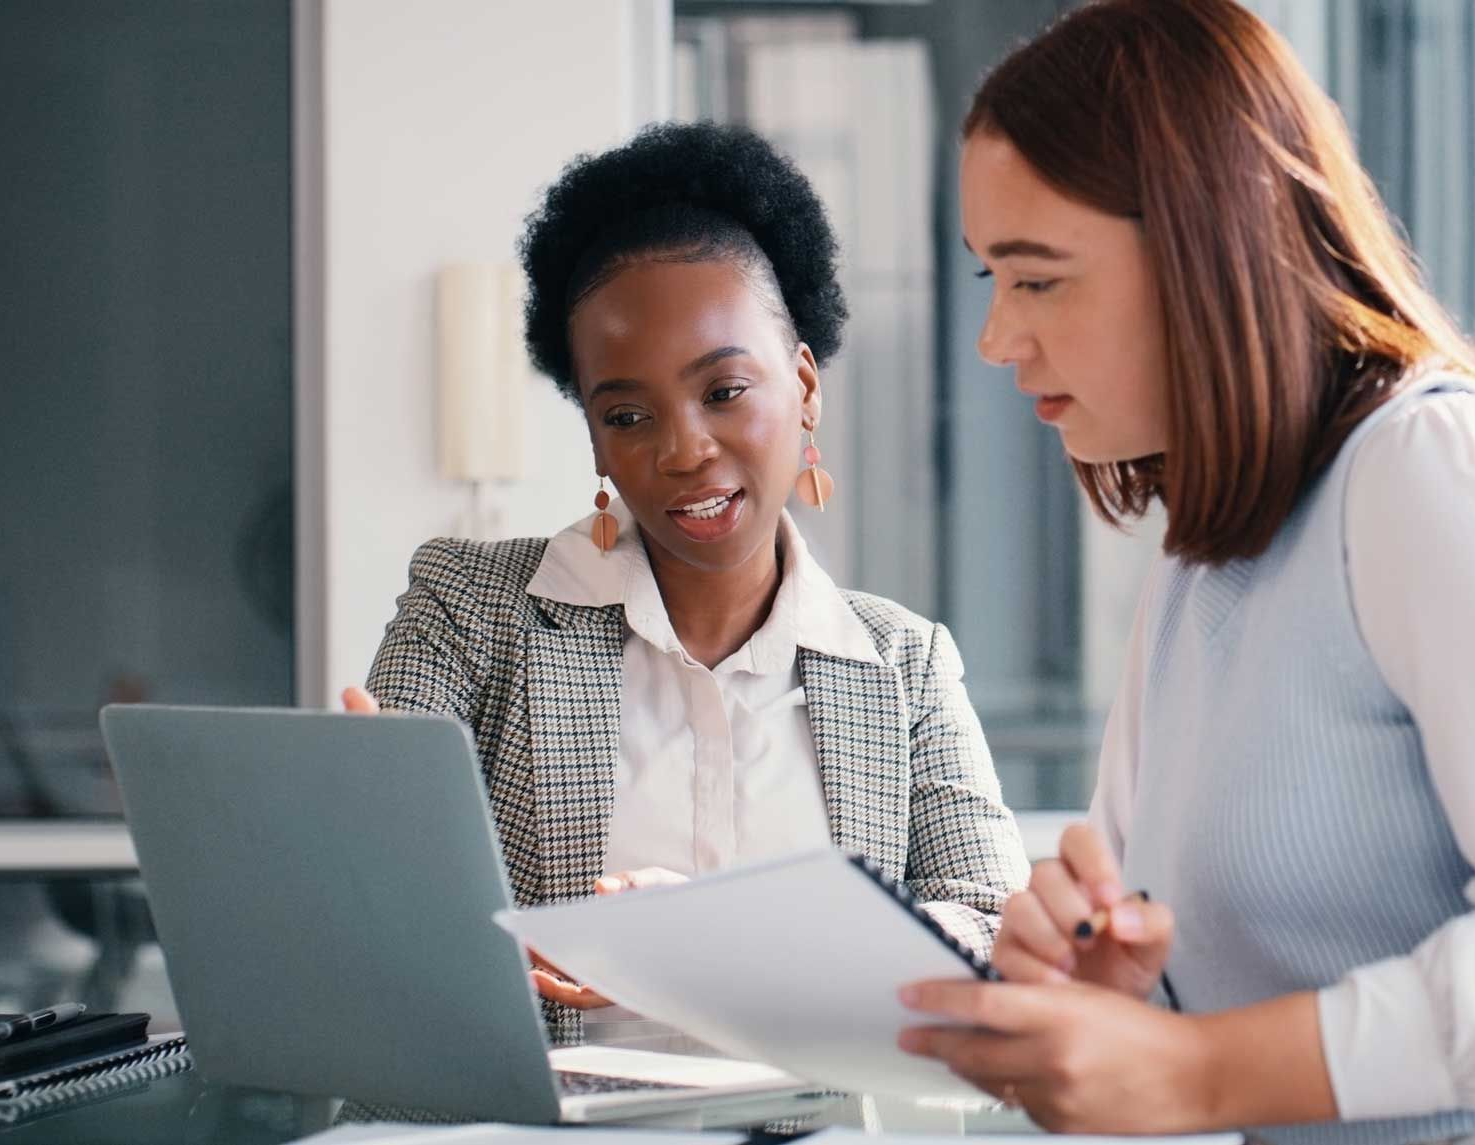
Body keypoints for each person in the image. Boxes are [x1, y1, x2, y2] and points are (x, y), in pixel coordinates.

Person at [895, 1, 1475, 1141]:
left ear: (1207, 243)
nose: (997, 340)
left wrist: (1198, 1065)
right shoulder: (1205, 555)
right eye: (989, 281)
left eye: (1040, 278)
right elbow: (1211, 984)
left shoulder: (1436, 470)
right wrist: (1112, 991)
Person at [346, 122, 1028, 1037]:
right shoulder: (470, 609)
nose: (682, 449)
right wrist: (360, 833)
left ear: (804, 385)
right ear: (594, 435)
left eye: (724, 391)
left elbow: (989, 926)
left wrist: (730, 940)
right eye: (627, 412)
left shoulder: (906, 664)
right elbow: (382, 905)